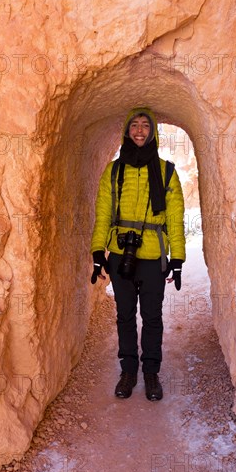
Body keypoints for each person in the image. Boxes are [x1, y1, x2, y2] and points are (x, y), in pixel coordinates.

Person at [90, 107, 186, 401]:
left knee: (152, 317)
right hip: (121, 253)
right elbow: (104, 213)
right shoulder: (114, 170)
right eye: (135, 125)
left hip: (154, 254)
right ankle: (128, 371)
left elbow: (175, 217)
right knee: (125, 316)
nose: (140, 130)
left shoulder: (167, 171)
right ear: (127, 131)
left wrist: (178, 258)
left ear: (153, 131)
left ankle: (151, 374)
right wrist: (98, 251)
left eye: (145, 125)